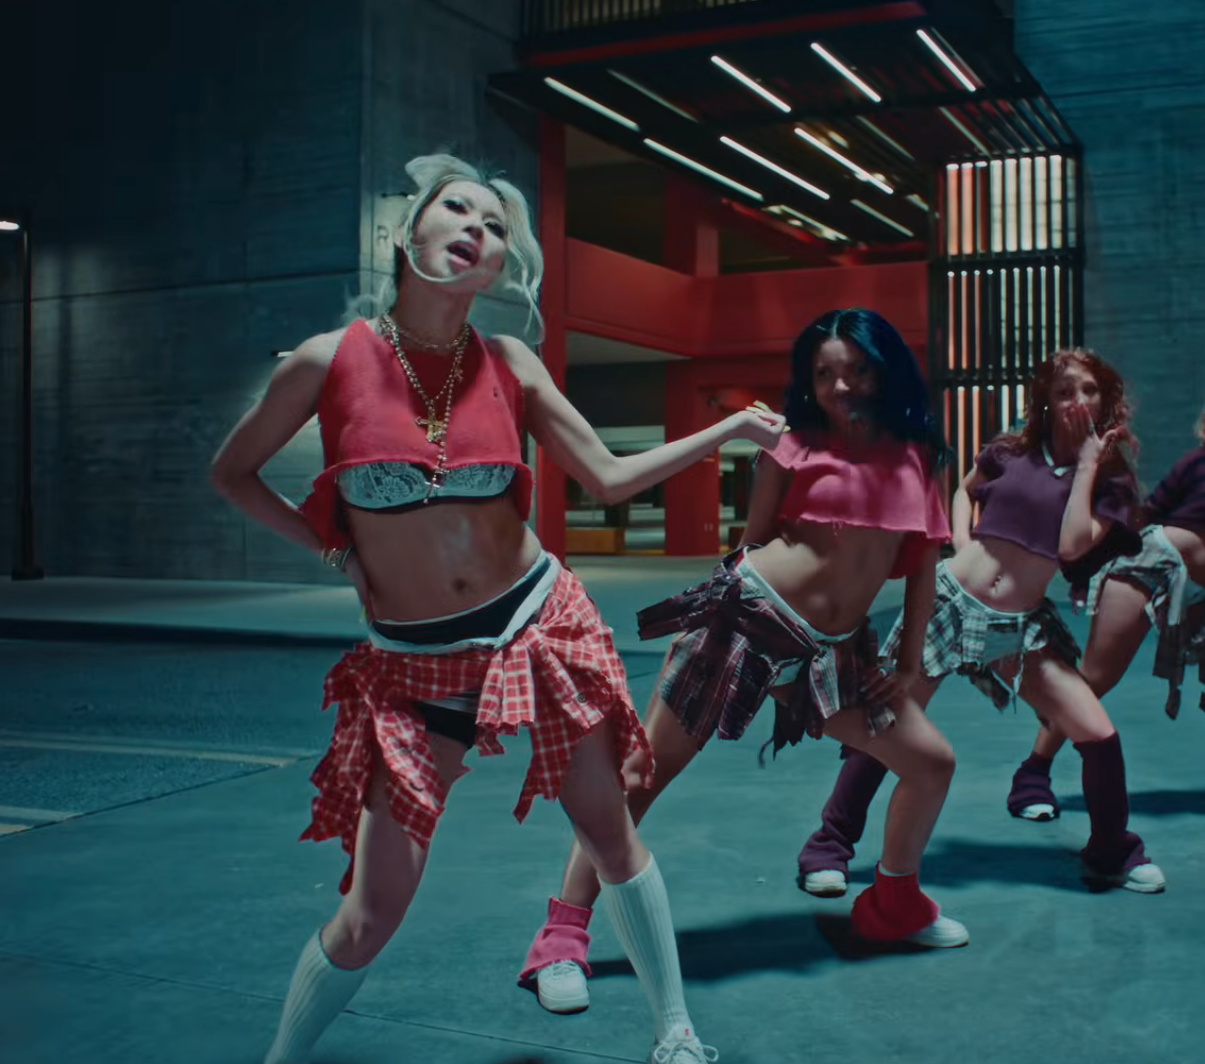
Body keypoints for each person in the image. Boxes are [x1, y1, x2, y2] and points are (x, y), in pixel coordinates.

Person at [210, 153, 781, 1064]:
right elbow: (232, 474)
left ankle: (677, 1032)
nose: (476, 228)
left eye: (495, 226)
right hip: (413, 662)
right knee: (372, 911)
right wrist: (332, 548)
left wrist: (730, 428)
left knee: (609, 831)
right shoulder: (329, 361)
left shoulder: (509, 364)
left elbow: (608, 477)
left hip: (534, 626)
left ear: (497, 268)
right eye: (458, 209)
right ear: (411, 232)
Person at [518, 307, 968, 1016]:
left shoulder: (919, 457)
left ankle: (895, 905)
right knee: (641, 775)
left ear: (886, 370)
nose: (840, 386)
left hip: (835, 650)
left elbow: (922, 567)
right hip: (748, 620)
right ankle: (560, 939)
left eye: (856, 370)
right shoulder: (792, 443)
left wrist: (907, 664)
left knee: (931, 761)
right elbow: (754, 542)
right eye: (824, 374)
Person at [794, 348, 1167, 897]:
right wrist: (962, 541)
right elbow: (965, 489)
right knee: (888, 726)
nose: (1076, 401)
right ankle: (828, 846)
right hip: (949, 604)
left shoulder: (1111, 482)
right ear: (1047, 400)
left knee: (1097, 732)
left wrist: (1088, 466)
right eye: (1064, 391)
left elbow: (1071, 547)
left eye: (1088, 390)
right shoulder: (1013, 451)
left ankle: (1112, 851)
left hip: (1020, 625)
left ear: (1105, 399)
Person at [1002, 369, 1205, 830]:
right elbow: (1146, 516)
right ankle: (1033, 774)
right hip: (1152, 566)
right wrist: (1088, 568)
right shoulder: (1203, 464)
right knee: (1095, 679)